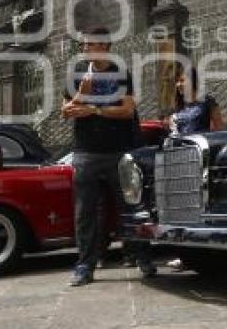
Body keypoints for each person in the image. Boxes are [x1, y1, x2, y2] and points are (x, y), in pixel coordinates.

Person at [61, 27, 155, 287]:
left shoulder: (121, 73)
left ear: (103, 46)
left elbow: (126, 111)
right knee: (85, 212)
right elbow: (66, 111)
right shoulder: (77, 74)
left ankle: (143, 257)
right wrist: (82, 93)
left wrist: (92, 108)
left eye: (88, 44)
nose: (83, 49)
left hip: (119, 152)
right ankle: (85, 266)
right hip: (85, 153)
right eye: (83, 45)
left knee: (133, 207)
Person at [166, 65, 224, 272]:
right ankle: (185, 256)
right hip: (181, 160)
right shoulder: (177, 107)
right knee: (182, 208)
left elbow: (219, 128)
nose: (180, 84)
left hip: (202, 158)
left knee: (202, 206)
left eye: (184, 80)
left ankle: (209, 250)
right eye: (178, 81)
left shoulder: (207, 102)